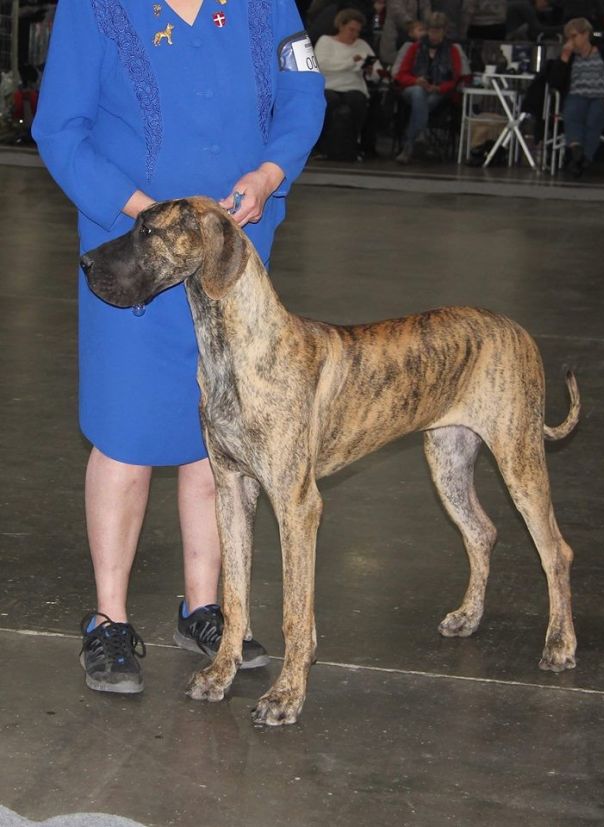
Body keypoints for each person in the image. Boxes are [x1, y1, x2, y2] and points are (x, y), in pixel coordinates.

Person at [31, 0, 326, 695]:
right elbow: (60, 129)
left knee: (217, 436)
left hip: (233, 256)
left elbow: (303, 92)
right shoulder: (92, 8)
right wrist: (151, 216)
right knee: (125, 435)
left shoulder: (267, 5)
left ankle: (206, 608)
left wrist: (271, 173)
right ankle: (108, 620)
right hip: (134, 251)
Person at [548, 16, 604, 176]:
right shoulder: (569, 57)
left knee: (594, 117)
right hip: (577, 94)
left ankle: (581, 159)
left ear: (586, 34)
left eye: (574, 36)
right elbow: (555, 82)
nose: (571, 41)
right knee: (572, 112)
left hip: (602, 96)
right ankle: (578, 153)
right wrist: (564, 58)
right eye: (568, 38)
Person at [315, 8, 384, 160]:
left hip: (354, 86)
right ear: (341, 26)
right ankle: (324, 146)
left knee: (357, 101)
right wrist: (351, 62)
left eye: (357, 31)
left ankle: (351, 146)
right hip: (329, 86)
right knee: (329, 101)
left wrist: (370, 71)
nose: (354, 35)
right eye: (351, 30)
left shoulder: (362, 45)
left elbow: (377, 72)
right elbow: (322, 65)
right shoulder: (325, 41)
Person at [394, 11, 462, 163]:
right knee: (419, 92)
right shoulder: (415, 48)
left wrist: (438, 88)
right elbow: (401, 75)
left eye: (438, 31)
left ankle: (409, 145)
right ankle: (420, 135)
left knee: (426, 101)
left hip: (438, 90)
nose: (433, 35)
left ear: (445, 31)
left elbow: (454, 80)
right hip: (413, 88)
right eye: (431, 31)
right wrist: (416, 80)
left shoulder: (452, 50)